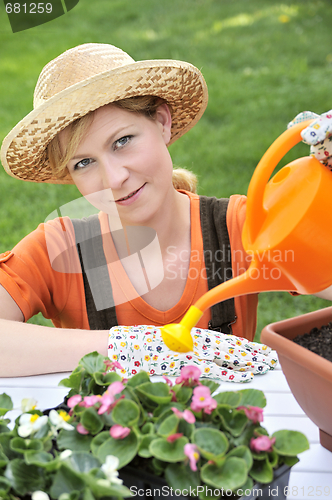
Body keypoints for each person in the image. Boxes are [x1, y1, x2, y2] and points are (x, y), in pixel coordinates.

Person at [0, 43, 331, 379]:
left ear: (161, 122)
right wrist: (133, 347)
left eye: (123, 141)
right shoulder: (59, 250)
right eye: (84, 163)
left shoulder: (242, 228)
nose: (114, 178)